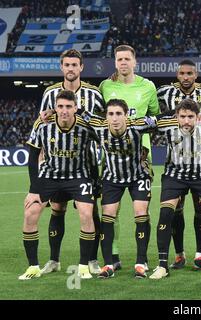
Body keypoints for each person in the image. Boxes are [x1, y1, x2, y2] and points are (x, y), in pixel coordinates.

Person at [19, 90, 99, 280]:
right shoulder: (43, 124)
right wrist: (33, 190)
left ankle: (83, 267)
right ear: (55, 108)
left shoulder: (85, 126)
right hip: (50, 175)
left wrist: (97, 180)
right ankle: (33, 267)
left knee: (87, 213)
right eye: (61, 106)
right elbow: (32, 158)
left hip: (79, 175)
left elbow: (104, 136)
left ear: (76, 108)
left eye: (68, 107)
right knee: (30, 212)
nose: (64, 111)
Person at [39, 49, 105, 276]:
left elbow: (103, 125)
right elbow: (42, 126)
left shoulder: (94, 94)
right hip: (57, 166)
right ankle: (53, 260)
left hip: (86, 166)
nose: (70, 69)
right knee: (57, 209)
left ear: (81, 67)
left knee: (89, 211)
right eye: (66, 65)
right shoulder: (49, 94)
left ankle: (92, 260)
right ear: (61, 67)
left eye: (74, 65)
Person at [148, 99, 201, 280]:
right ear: (177, 117)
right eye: (183, 117)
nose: (186, 121)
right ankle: (162, 266)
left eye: (191, 117)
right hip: (175, 174)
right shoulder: (167, 126)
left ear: (198, 117)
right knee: (166, 214)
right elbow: (146, 126)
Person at [99, 45, 160, 270]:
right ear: (115, 63)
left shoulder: (147, 86)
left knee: (141, 210)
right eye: (119, 59)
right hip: (112, 157)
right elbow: (99, 117)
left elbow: (154, 115)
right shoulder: (106, 86)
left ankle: (141, 259)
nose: (123, 63)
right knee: (111, 212)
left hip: (140, 157)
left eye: (127, 59)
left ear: (135, 62)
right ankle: (113, 257)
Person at [157, 59, 201, 270]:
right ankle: (178, 254)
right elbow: (149, 110)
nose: (185, 77)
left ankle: (200, 255)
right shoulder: (164, 92)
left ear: (196, 75)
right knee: (175, 211)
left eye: (189, 73)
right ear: (177, 75)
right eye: (182, 73)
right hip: (175, 163)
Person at [81, 99, 154, 279]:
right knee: (108, 215)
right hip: (112, 178)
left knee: (140, 212)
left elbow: (164, 119)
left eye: (119, 114)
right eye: (111, 114)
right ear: (105, 116)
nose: (114, 118)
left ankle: (140, 262)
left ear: (126, 115)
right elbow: (79, 112)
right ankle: (108, 265)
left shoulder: (138, 126)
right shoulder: (98, 127)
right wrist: (50, 112)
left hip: (138, 176)